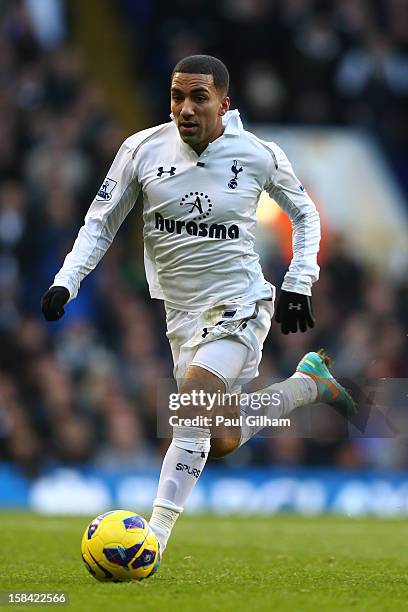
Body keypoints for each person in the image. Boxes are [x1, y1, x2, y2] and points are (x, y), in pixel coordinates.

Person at [41, 55, 356, 561]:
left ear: (223, 104)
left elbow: (305, 214)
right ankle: (308, 385)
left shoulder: (258, 154)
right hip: (181, 316)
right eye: (176, 97)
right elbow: (100, 222)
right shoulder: (141, 149)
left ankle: (152, 540)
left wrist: (299, 280)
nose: (185, 109)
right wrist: (67, 281)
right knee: (222, 435)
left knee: (190, 404)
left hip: (239, 305)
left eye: (198, 98)